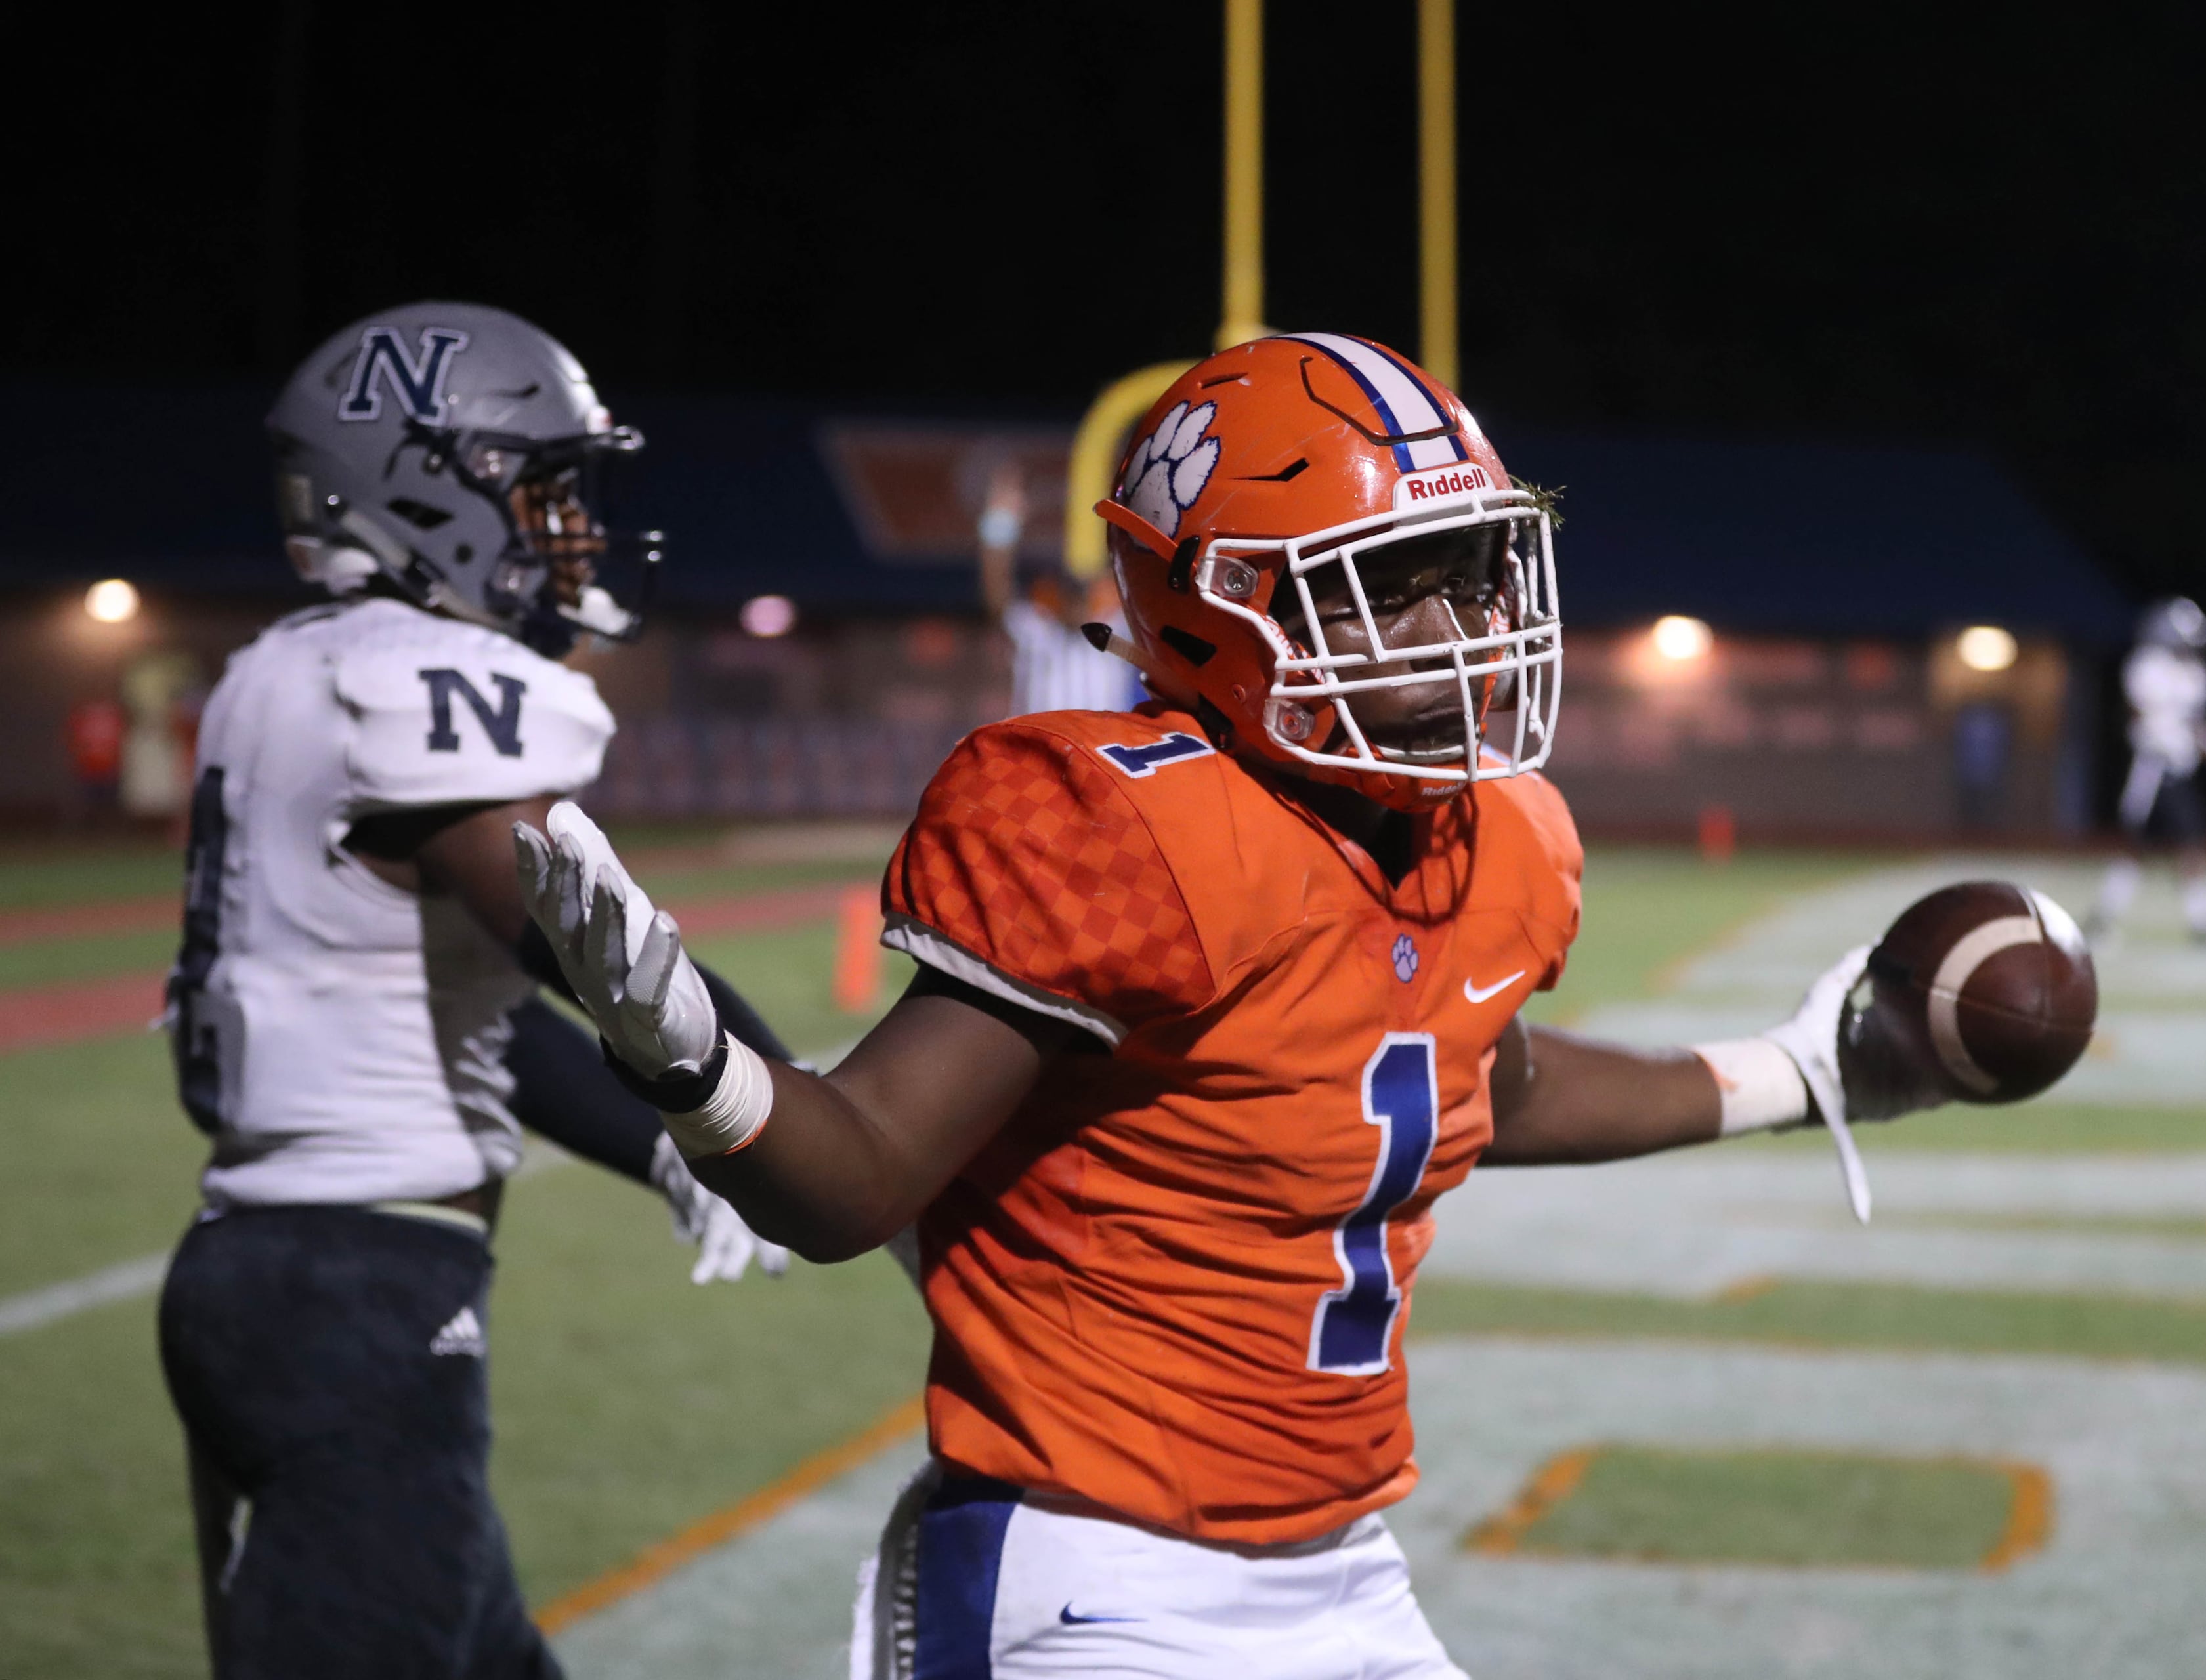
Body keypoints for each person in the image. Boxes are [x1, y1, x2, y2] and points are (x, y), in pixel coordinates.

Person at [515, 334, 1951, 1679]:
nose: (1459, 631)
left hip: (1348, 1564)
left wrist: (1795, 1069)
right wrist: (694, 1059)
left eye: (1469, 568)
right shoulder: (1127, 827)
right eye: (1389, 584)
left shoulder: (1496, 838)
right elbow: (860, 1177)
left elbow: (1482, 1084)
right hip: (1100, 1576)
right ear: (1213, 612)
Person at [157, 302, 795, 1679]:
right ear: (429, 487)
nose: (574, 529)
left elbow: (493, 1016)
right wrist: (789, 1119)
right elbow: (582, 949)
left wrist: (667, 1148)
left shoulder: (289, 668)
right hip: (357, 1298)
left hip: (285, 1271)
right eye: (545, 489)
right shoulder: (417, 679)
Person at [2088, 596, 2206, 944]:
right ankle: (2201, 927)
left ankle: (2103, 922)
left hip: (2176, 772)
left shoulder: (2195, 675)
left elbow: (2199, 726)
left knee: (2145, 849)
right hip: (2152, 770)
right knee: (2173, 846)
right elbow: (2141, 719)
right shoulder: (2147, 667)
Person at [975, 458, 1145, 717]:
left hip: (1098, 752)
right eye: (1070, 594)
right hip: (1042, 751)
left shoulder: (1115, 631)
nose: (1076, 603)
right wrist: (1001, 522)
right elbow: (996, 590)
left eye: (1081, 594)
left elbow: (1140, 576)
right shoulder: (1037, 631)